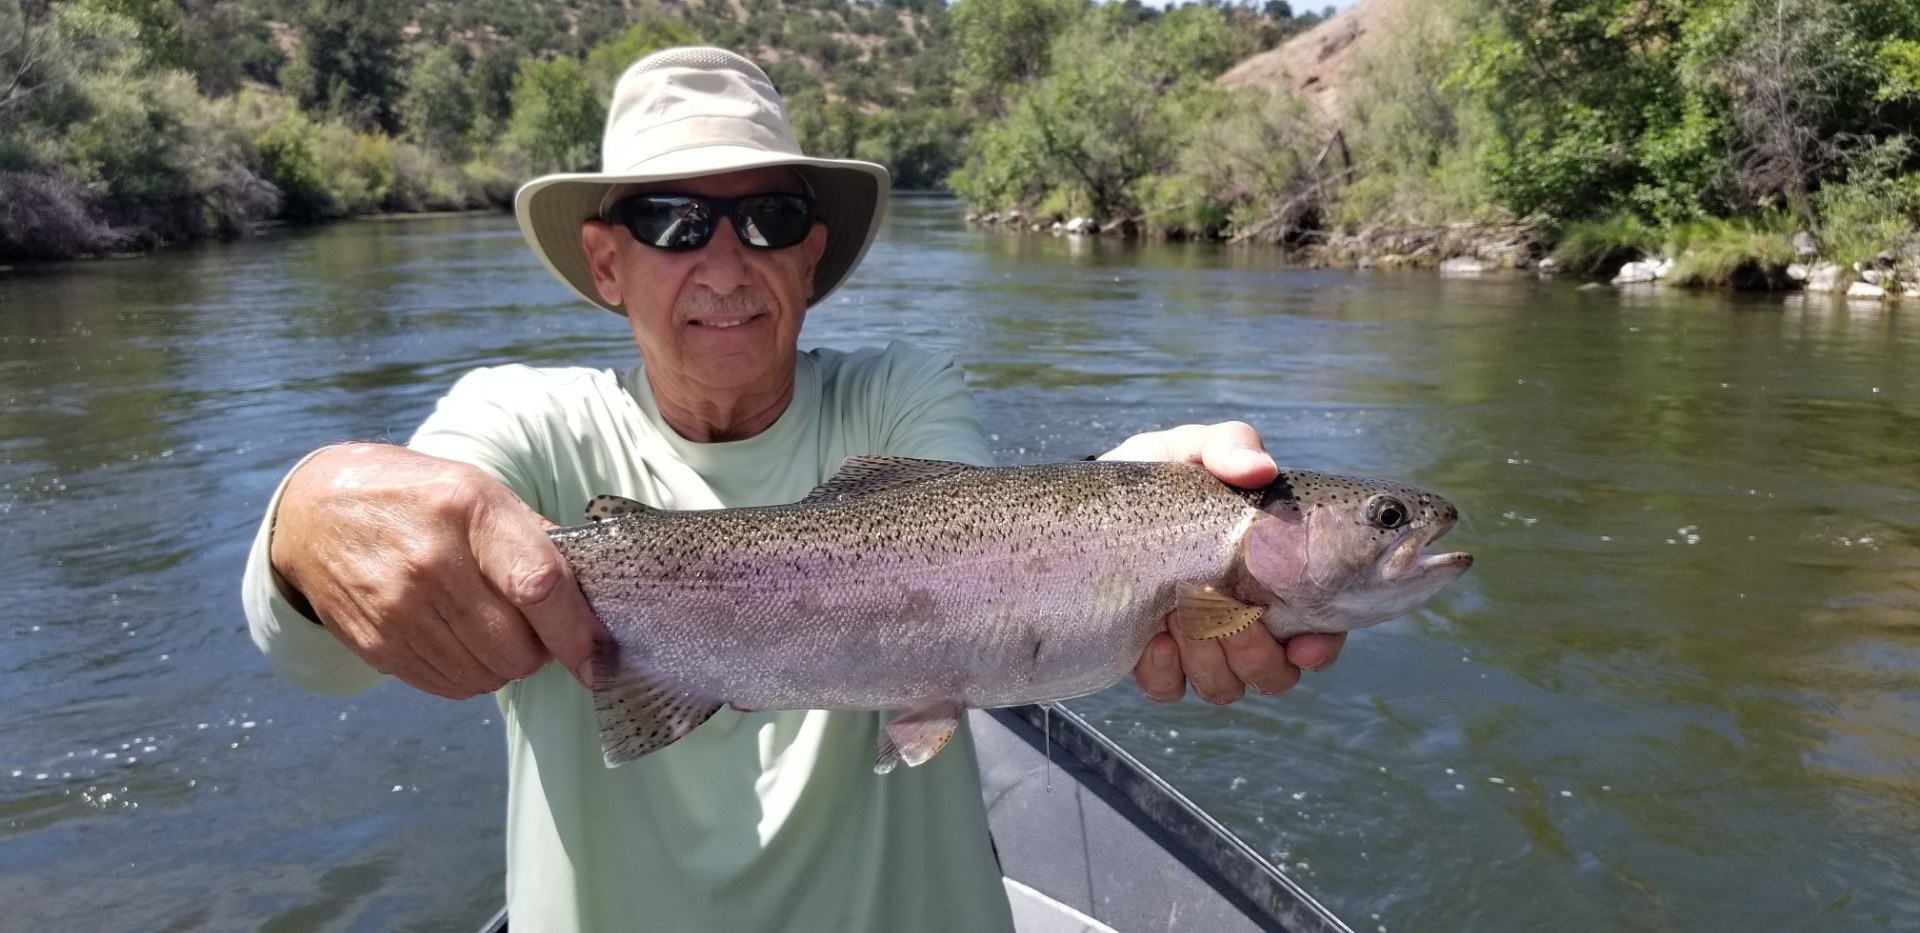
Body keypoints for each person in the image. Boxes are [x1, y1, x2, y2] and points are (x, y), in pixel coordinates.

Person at [241, 46, 1347, 933]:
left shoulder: (901, 392)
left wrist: (1145, 508)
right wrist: (311, 511)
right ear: (606, 260)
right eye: (674, 222)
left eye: (765, 220)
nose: (725, 265)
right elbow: (318, 650)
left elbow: (989, 554)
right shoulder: (523, 422)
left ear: (810, 253)